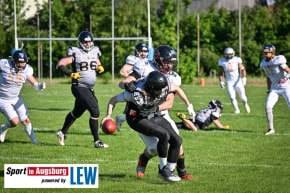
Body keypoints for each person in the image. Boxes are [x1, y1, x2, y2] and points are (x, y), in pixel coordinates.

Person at [119, 45, 195, 180]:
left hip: (159, 111)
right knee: (155, 148)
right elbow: (125, 82)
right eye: (167, 62)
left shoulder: (173, 77)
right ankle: (144, 158)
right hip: (141, 112)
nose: (170, 66)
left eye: (172, 62)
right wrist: (127, 84)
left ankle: (181, 173)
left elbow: (170, 101)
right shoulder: (144, 66)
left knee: (177, 143)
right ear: (158, 60)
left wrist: (188, 105)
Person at [104, 71, 182, 182]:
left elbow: (176, 89)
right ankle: (163, 170)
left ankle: (169, 171)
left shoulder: (165, 84)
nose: (161, 92)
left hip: (153, 114)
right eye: (158, 90)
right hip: (136, 118)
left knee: (177, 140)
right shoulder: (135, 92)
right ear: (150, 88)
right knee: (164, 135)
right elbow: (113, 99)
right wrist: (108, 116)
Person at [55, 31, 108, 148]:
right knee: (95, 111)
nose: (88, 44)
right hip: (79, 86)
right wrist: (70, 74)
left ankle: (62, 132)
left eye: (90, 42)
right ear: (80, 42)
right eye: (85, 42)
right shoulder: (75, 52)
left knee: (77, 112)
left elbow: (95, 61)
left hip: (89, 87)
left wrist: (99, 66)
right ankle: (97, 141)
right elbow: (60, 64)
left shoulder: (95, 51)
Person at [0, 50, 46, 143]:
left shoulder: (28, 69)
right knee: (15, 122)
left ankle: (35, 142)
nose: (20, 64)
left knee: (26, 120)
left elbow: (34, 83)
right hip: (2, 99)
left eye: (22, 62)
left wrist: (39, 86)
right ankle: (3, 129)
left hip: (15, 98)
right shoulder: (3, 64)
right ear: (13, 60)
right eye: (18, 62)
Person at [116, 43, 149, 130]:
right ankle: (122, 118)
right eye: (141, 51)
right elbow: (122, 72)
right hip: (134, 86)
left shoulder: (147, 61)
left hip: (144, 86)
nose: (143, 53)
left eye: (145, 51)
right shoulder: (133, 59)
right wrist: (133, 78)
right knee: (138, 110)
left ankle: (121, 118)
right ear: (137, 51)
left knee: (139, 110)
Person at [259, 44, 290, 135]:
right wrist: (269, 89)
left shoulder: (278, 60)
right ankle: (271, 129)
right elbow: (268, 77)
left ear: (273, 52)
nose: (266, 54)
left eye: (268, 52)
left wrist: (286, 78)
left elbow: (288, 71)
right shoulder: (264, 63)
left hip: (285, 86)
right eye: (265, 52)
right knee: (268, 106)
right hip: (274, 88)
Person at [218, 47, 250, 114]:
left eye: (229, 54)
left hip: (238, 81)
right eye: (227, 54)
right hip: (229, 82)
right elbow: (221, 72)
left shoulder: (237, 59)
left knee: (243, 98)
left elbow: (242, 69)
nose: (228, 56)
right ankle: (236, 110)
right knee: (232, 97)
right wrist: (221, 81)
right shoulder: (222, 61)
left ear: (233, 54)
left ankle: (245, 104)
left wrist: (244, 78)